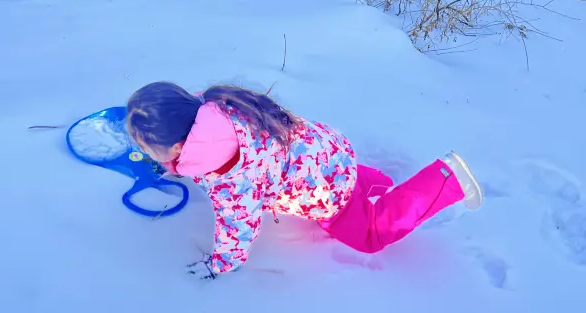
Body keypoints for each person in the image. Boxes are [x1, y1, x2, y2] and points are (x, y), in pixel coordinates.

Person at [126, 82, 483, 280]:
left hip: (325, 189)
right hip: (326, 150)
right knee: (347, 178)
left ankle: (446, 180)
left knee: (370, 234)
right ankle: (374, 183)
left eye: (144, 146)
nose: (140, 149)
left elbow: (239, 226)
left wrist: (220, 264)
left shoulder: (228, 178)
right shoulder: (214, 106)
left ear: (176, 145)